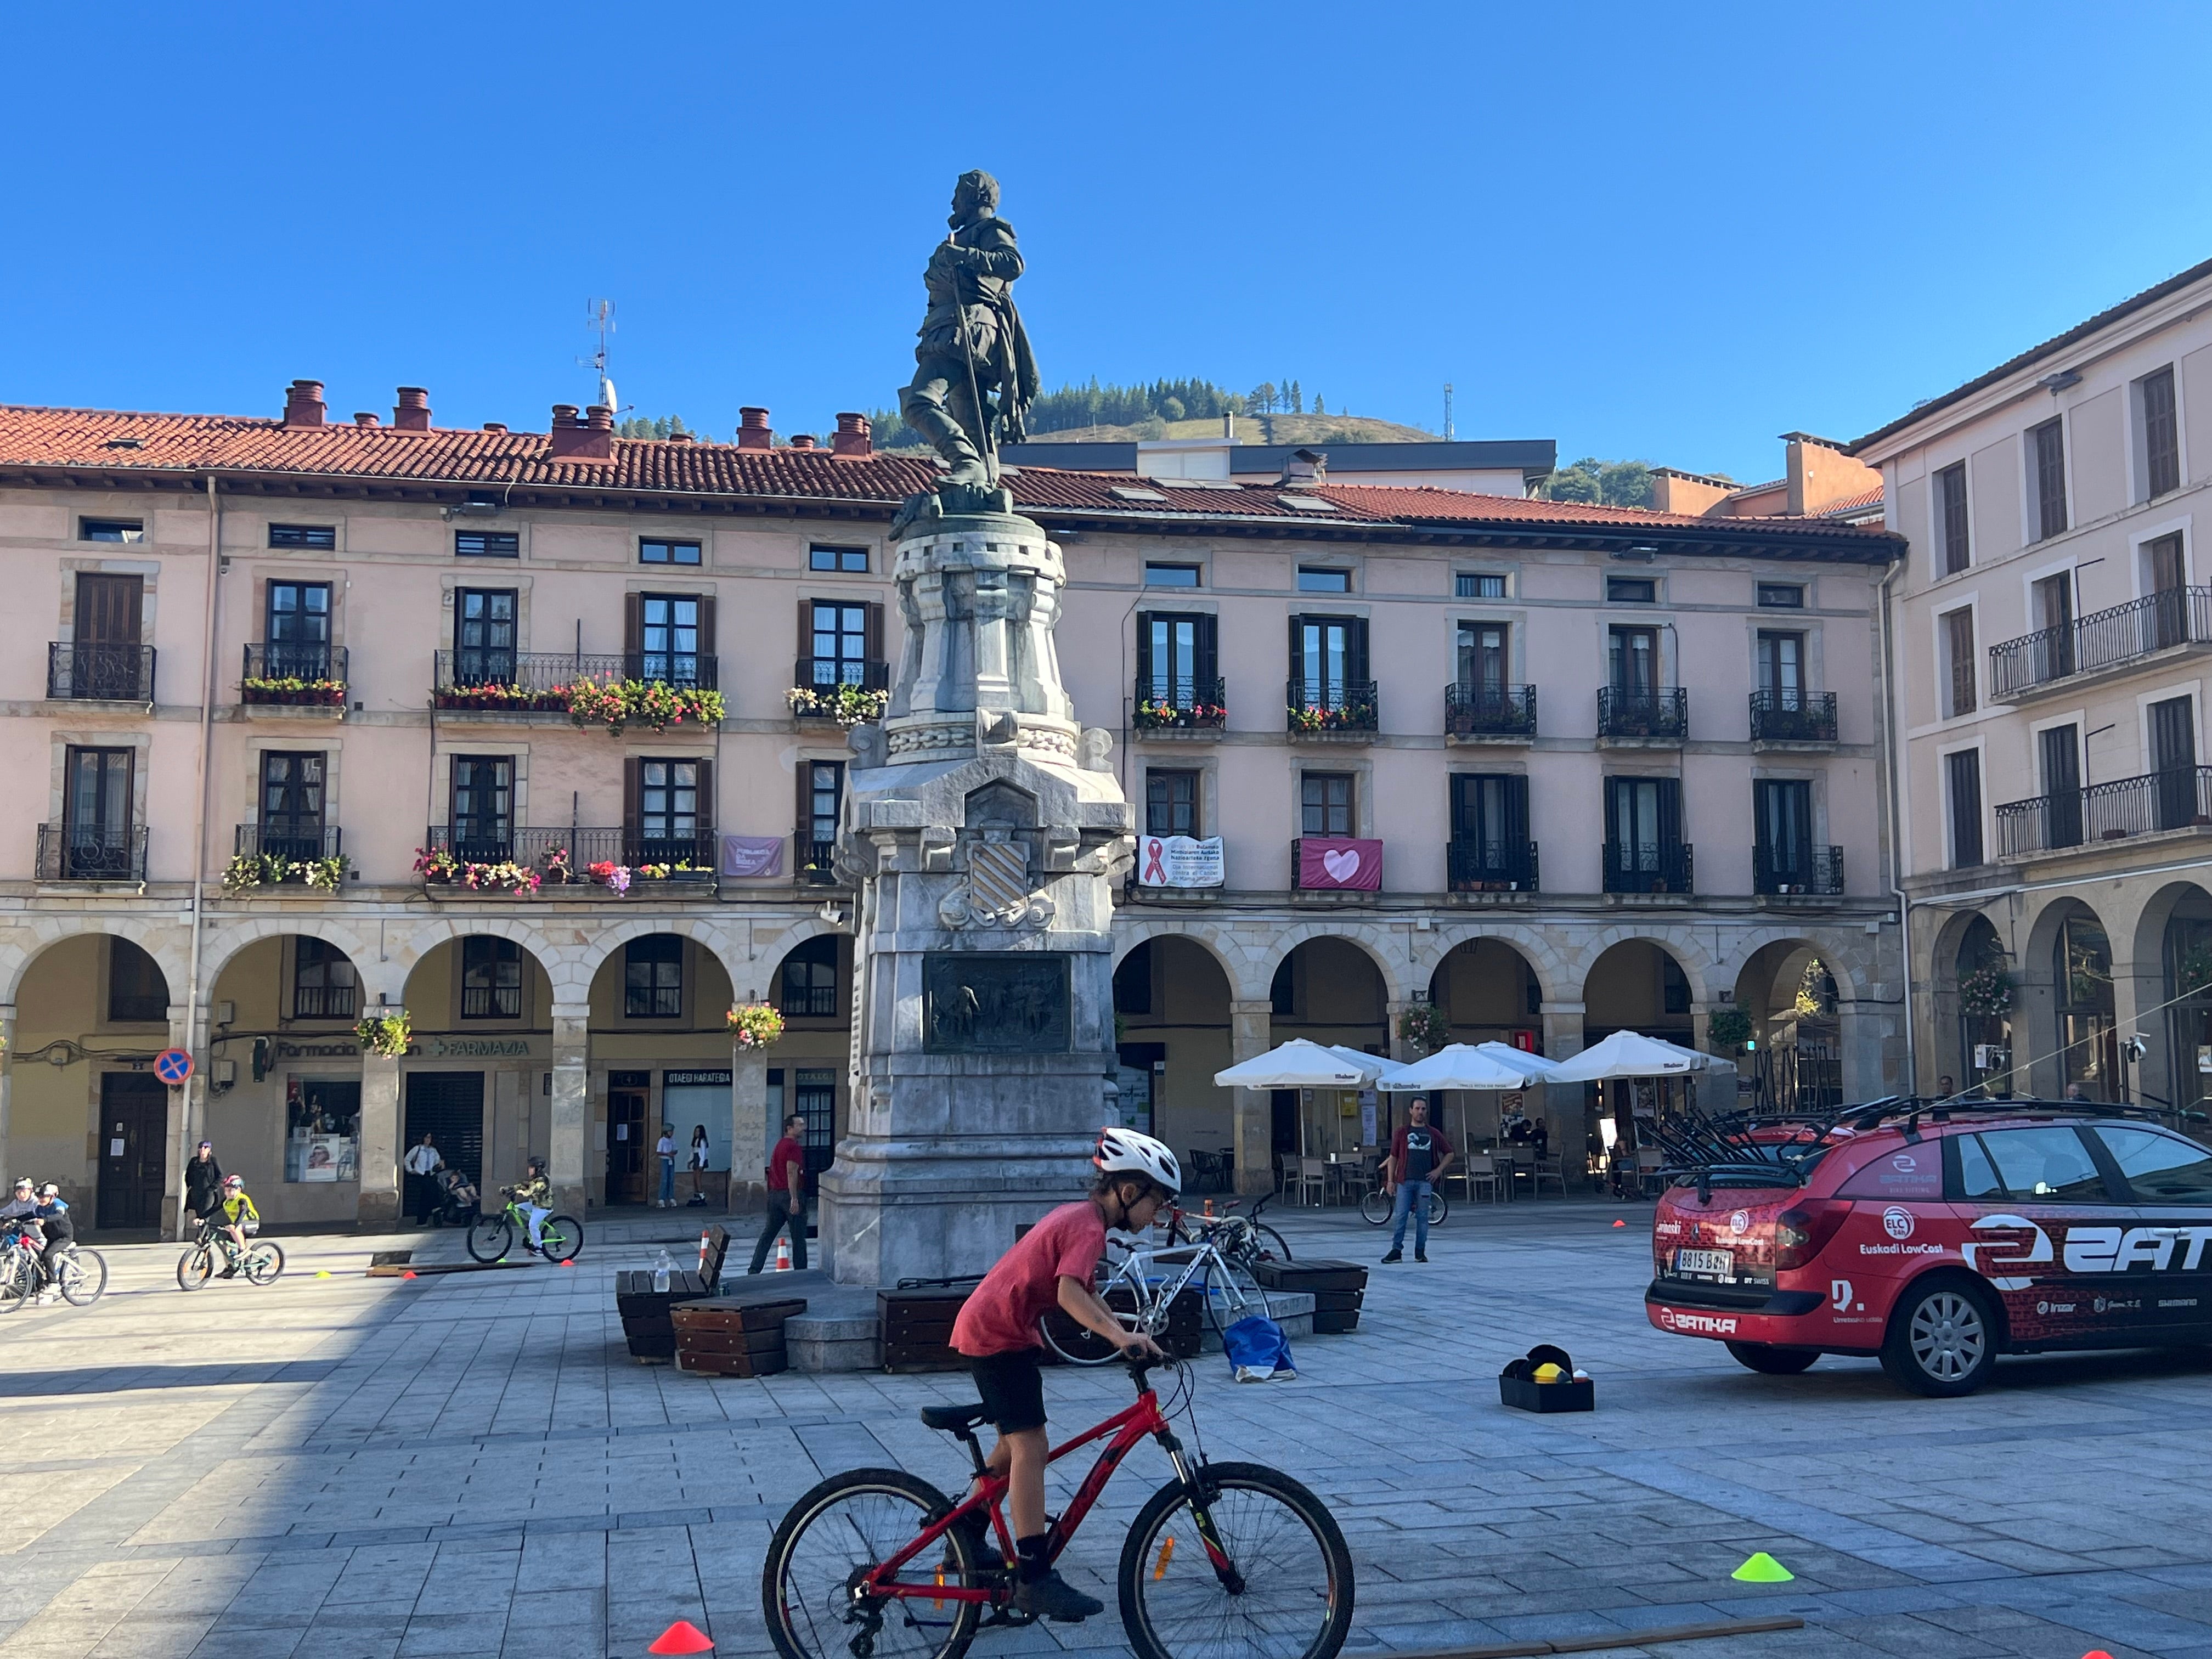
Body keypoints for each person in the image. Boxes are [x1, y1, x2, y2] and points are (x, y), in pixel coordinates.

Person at [949, 1129, 1173, 1623]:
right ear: (1129, 1191)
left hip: (999, 1333)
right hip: (996, 1337)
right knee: (1033, 1449)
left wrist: (1132, 1334)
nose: (1156, 1215)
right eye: (1156, 1202)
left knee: (1013, 1446)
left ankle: (963, 1534)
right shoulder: (1088, 1226)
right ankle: (1034, 1575)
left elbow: (1090, 1296)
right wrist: (1119, 1341)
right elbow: (1069, 1294)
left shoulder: (1083, 1219)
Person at [1383, 1097, 1455, 1265]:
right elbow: (1393, 1157)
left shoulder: (1433, 1133)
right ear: (1411, 1110)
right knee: (1401, 1216)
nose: (1420, 1112)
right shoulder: (1402, 1133)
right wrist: (1390, 1181)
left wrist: (1438, 1171)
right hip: (1404, 1181)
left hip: (1425, 1182)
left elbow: (1450, 1153)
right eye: (1417, 1109)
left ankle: (1420, 1252)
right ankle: (1396, 1250)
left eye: (1423, 1109)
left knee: (1422, 1217)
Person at [749, 1114, 809, 1273]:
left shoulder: (780, 1144)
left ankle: (755, 1268)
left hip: (775, 1195)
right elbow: (791, 1171)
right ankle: (801, 1272)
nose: (803, 1128)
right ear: (790, 1128)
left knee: (768, 1234)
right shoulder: (793, 1147)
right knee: (798, 1237)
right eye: (799, 1125)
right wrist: (794, 1198)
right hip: (788, 1194)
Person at [208, 1175, 258, 1276]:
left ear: (239, 1189)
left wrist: (235, 1225)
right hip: (237, 1226)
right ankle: (231, 1266)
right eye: (226, 1190)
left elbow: (242, 1212)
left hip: (251, 1223)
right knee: (219, 1239)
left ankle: (244, 1251)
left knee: (235, 1229)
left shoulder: (242, 1199)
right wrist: (201, 1217)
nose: (227, 1193)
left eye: (231, 1190)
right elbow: (214, 1209)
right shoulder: (227, 1201)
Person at [31, 1184, 72, 1304]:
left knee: (48, 1255)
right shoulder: (40, 1208)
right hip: (52, 1237)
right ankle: (44, 1283)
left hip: (64, 1237)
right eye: (39, 1197)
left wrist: (45, 1220)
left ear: (52, 1197)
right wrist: (14, 1220)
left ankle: (54, 1283)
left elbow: (59, 1215)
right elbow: (30, 1215)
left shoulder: (58, 1204)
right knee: (41, 1257)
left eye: (44, 1197)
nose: (41, 1199)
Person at [506, 1158, 552, 1254]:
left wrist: (524, 1193)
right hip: (535, 1204)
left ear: (538, 1169)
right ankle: (531, 1227)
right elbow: (524, 1186)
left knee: (533, 1225)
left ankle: (539, 1249)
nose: (529, 1170)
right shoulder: (535, 1179)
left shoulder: (542, 1180)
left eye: (532, 1168)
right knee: (518, 1208)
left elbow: (533, 1190)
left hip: (543, 1207)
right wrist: (509, 1189)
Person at [183, 1141, 224, 1229]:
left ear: (209, 1150)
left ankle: (200, 1236)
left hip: (209, 1193)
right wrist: (190, 1185)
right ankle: (205, 1236)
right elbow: (188, 1175)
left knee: (205, 1214)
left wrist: (212, 1188)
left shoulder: (213, 1161)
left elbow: (220, 1176)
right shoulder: (194, 1161)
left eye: (205, 1148)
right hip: (196, 1192)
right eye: (201, 1147)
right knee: (199, 1214)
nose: (203, 1150)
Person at [404, 1132, 442, 1226]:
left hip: (431, 1174)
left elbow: (438, 1161)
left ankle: (433, 1214)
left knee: (431, 1196)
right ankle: (423, 1220)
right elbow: (407, 1159)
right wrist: (411, 1170)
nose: (428, 1140)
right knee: (425, 1197)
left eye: (430, 1138)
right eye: (426, 1137)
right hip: (421, 1174)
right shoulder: (418, 1149)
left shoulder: (433, 1150)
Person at [656, 1126, 678, 1209]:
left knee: (671, 1179)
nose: (671, 1133)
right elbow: (658, 1152)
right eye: (670, 1132)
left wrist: (673, 1153)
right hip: (664, 1160)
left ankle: (671, 1197)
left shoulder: (672, 1140)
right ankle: (661, 1198)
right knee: (664, 1179)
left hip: (671, 1160)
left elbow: (676, 1149)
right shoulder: (662, 1141)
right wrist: (666, 1154)